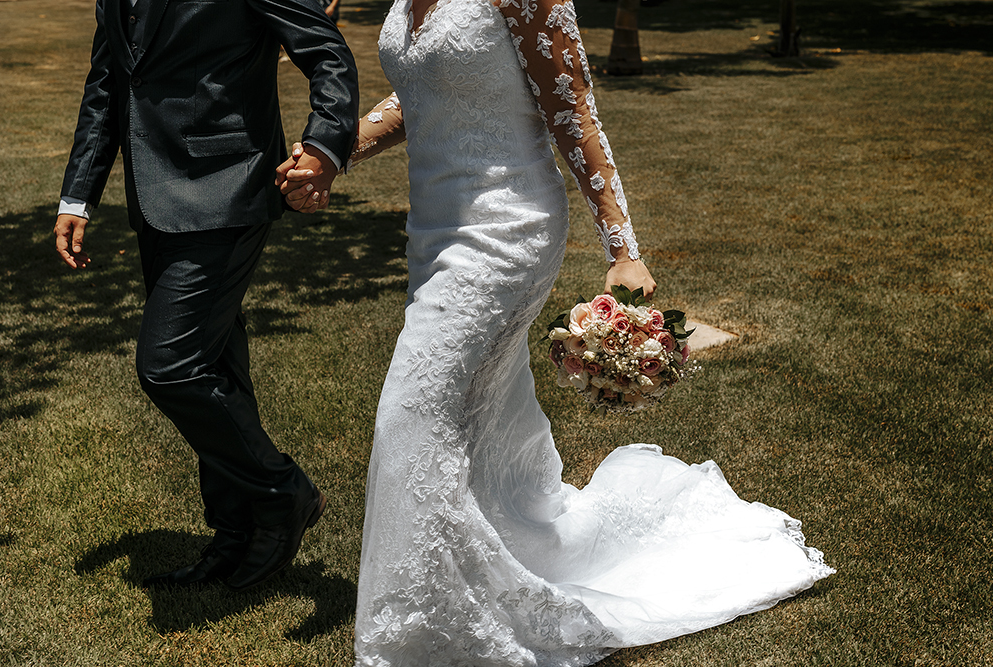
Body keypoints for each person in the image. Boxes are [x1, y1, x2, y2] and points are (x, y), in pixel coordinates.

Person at [283, 0, 833, 662]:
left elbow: (572, 104)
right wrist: (331, 151)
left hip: (506, 232)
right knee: (473, 429)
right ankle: (490, 575)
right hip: (436, 235)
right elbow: (422, 91)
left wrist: (622, 247)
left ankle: (420, 635)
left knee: (411, 412)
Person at [53, 0, 358, 591]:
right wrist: (76, 197)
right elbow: (108, 83)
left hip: (229, 186)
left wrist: (322, 146)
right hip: (156, 198)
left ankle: (283, 493)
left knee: (170, 366)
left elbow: (327, 54)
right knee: (217, 365)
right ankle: (234, 536)